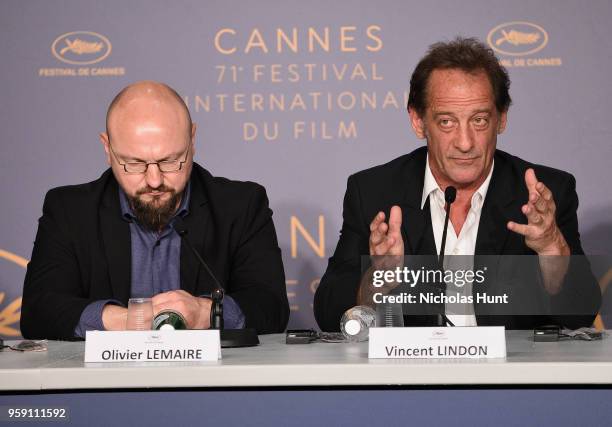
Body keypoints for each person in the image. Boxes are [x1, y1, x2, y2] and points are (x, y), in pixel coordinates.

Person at [314, 37, 601, 331]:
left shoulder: (543, 195)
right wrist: (377, 278)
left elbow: (580, 314)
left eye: (479, 120)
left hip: (512, 374)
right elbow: (328, 313)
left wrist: (552, 248)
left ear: (501, 119)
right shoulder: (375, 191)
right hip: (412, 374)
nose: (465, 143)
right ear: (418, 121)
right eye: (447, 122)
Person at [21, 81, 289, 339]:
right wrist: (125, 319)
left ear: (192, 140)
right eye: (134, 163)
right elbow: (38, 312)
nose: (154, 180)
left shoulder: (241, 206)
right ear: (107, 148)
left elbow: (271, 308)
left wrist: (203, 312)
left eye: (169, 160)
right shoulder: (69, 211)